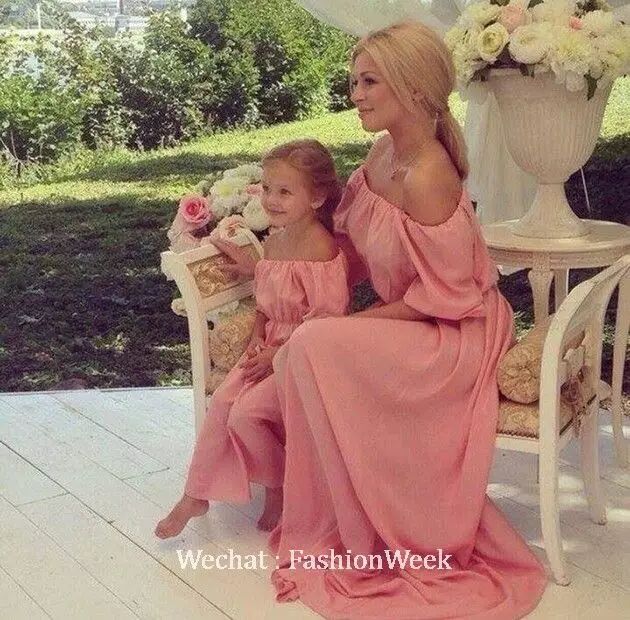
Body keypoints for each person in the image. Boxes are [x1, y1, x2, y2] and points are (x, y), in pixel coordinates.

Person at [214, 20, 547, 620]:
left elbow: (448, 296)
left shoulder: (427, 175)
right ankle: (336, 501)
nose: (356, 95)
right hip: (414, 318)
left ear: (413, 87)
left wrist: (350, 325)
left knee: (316, 342)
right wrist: (268, 262)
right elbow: (351, 249)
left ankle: (368, 515)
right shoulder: (383, 154)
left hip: (453, 333)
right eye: (354, 82)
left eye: (369, 81)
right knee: (316, 342)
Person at [155, 139, 350, 538]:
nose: (272, 200)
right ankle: (195, 494)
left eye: (285, 192)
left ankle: (277, 483)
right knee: (222, 403)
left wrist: (276, 353)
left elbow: (326, 322)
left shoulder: (321, 249)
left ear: (316, 198)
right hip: (268, 345)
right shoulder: (275, 241)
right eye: (267, 188)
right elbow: (266, 300)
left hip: (304, 355)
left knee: (246, 415)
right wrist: (258, 337)